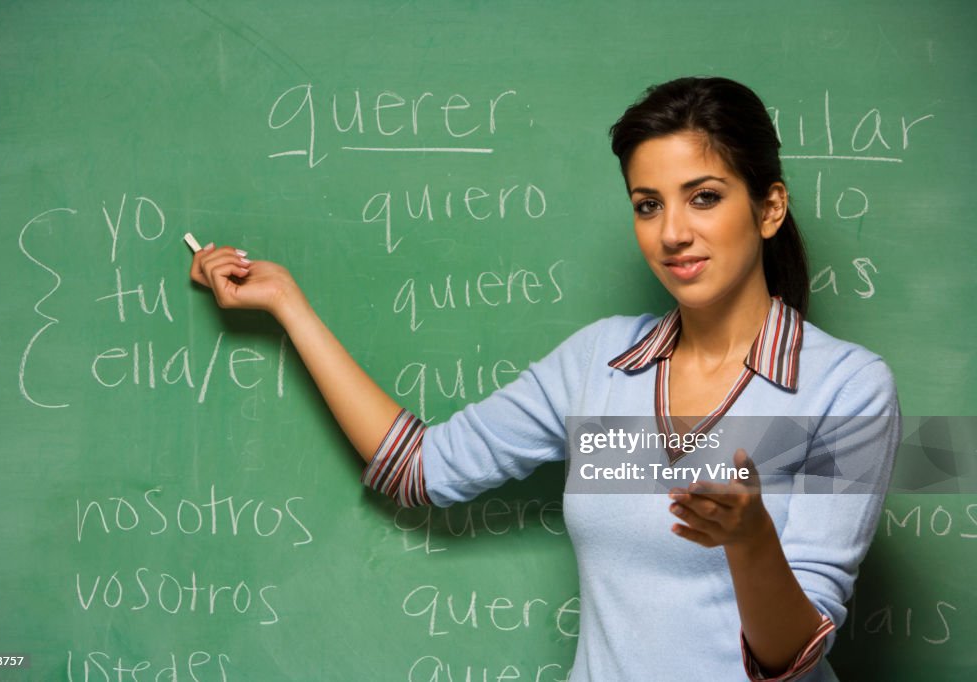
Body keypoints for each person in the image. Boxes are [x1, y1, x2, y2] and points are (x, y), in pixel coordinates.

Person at [190, 76, 901, 681]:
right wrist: (289, 305)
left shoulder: (846, 389)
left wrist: (750, 541)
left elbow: (793, 659)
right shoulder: (600, 366)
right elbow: (419, 469)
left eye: (704, 197)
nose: (672, 233)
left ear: (769, 207)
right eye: (647, 204)